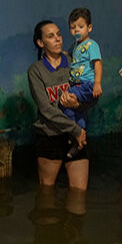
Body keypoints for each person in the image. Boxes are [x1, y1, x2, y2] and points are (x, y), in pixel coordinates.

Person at [28, 20, 89, 190]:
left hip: (76, 138)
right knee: (46, 197)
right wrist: (76, 130)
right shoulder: (36, 70)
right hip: (50, 136)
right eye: (50, 36)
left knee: (79, 196)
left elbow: (90, 93)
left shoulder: (73, 62)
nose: (57, 39)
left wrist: (78, 103)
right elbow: (46, 110)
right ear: (41, 43)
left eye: (59, 34)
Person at [63, 7, 103, 159]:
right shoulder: (75, 46)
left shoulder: (92, 45)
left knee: (66, 101)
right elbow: (68, 55)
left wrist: (97, 83)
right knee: (76, 110)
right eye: (72, 28)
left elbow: (98, 63)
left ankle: (76, 133)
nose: (76, 30)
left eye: (80, 26)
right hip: (76, 84)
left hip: (86, 84)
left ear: (89, 27)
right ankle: (79, 135)